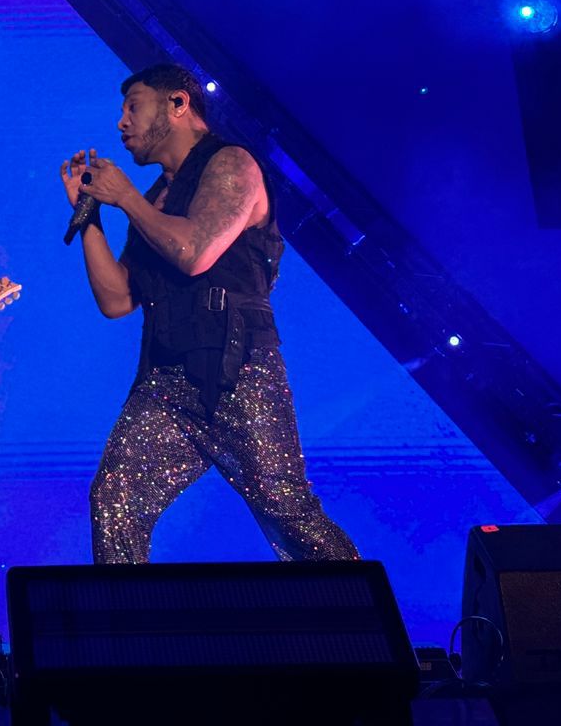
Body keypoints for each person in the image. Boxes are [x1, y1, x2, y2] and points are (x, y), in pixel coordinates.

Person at [65, 63, 357, 564]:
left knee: (286, 510)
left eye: (133, 106)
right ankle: (126, 617)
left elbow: (195, 252)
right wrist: (89, 213)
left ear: (178, 103)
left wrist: (126, 198)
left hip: (237, 369)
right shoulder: (155, 199)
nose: (121, 122)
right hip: (166, 378)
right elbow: (117, 300)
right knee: (115, 500)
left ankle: (363, 611)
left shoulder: (232, 164)